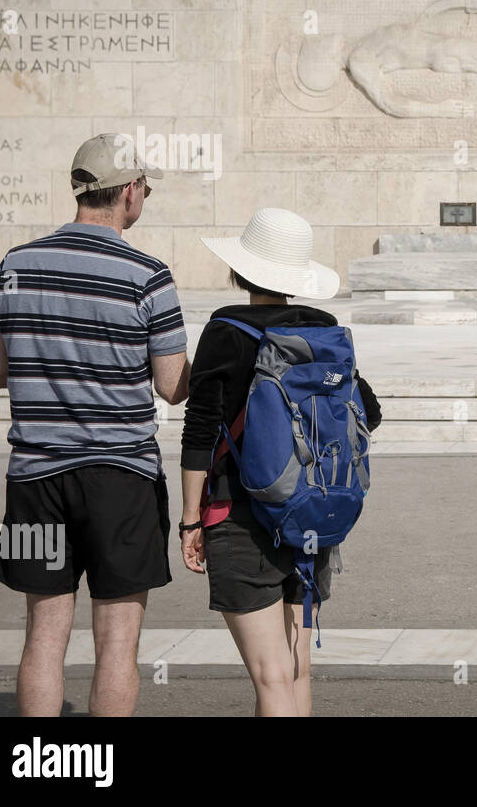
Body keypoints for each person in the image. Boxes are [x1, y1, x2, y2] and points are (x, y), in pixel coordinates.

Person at [0, 132, 189, 716]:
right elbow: (173, 389)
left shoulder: (14, 265)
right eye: (145, 188)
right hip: (120, 480)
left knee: (43, 638)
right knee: (117, 647)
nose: (144, 198)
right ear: (128, 192)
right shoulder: (148, 274)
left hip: (35, 479)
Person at [178, 207, 382, 717]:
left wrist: (188, 521)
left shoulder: (224, 331)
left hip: (241, 517)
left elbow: (199, 432)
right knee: (295, 670)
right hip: (312, 514)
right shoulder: (323, 329)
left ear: (240, 270)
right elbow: (369, 412)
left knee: (270, 680)